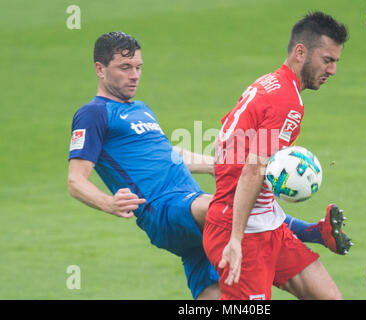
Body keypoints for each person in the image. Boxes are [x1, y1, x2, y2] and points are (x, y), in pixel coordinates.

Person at [67, 31, 350, 300]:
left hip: (191, 225)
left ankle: (312, 232)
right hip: (163, 209)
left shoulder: (140, 108)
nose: (134, 76)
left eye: (138, 67)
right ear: (100, 69)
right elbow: (75, 181)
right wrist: (108, 203)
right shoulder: (93, 114)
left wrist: (223, 166)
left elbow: (169, 154)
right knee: (227, 207)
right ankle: (313, 231)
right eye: (125, 67)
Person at [203, 11, 350, 300]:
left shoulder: (269, 83)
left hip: (267, 224)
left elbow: (229, 146)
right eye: (327, 60)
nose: (332, 70)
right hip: (243, 232)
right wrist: (235, 239)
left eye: (335, 62)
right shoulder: (287, 102)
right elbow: (253, 169)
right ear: (301, 52)